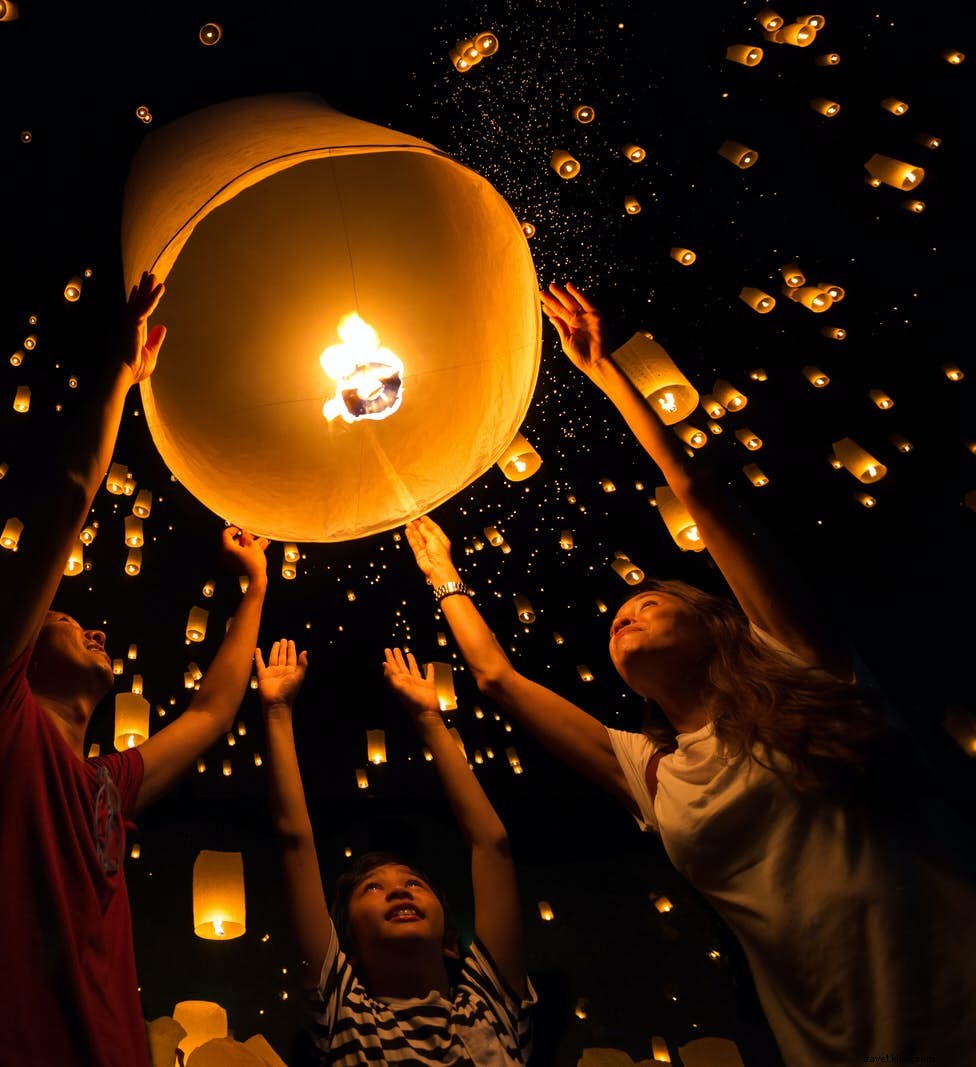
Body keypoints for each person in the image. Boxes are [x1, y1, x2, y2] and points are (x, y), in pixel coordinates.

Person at [400, 282, 976, 1066]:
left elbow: (701, 497)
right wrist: (442, 572)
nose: (622, 613)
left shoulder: (802, 663)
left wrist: (606, 372)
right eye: (616, 618)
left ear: (714, 619)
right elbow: (497, 677)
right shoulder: (652, 768)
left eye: (648, 598)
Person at [0, 272, 273, 1066]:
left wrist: (254, 590)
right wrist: (120, 375)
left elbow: (213, 713)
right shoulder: (0, 720)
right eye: (69, 619)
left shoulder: (107, 785)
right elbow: (73, 496)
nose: (95, 625)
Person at [256, 639, 534, 1065]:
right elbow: (296, 841)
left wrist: (430, 720)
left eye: (413, 883)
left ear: (450, 943)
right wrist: (276, 713)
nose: (398, 891)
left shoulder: (490, 1006)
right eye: (371, 889)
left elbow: (492, 847)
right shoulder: (344, 1014)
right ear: (347, 949)